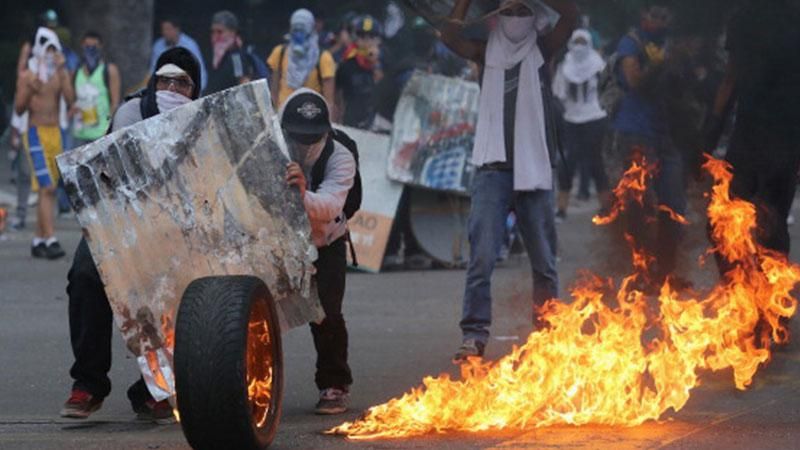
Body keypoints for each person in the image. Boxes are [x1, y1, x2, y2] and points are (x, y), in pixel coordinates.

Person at [60, 47, 202, 423]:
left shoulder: (203, 120)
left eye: (182, 82)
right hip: (116, 217)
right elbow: (103, 172)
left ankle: (153, 388)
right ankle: (88, 384)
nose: (172, 87)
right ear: (154, 82)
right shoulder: (129, 113)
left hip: (171, 227)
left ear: (194, 89)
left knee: (170, 294)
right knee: (86, 277)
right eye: (165, 80)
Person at [439, 0, 577, 362]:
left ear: (534, 16)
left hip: (535, 170)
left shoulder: (544, 49)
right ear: (496, 18)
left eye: (522, 11)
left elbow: (571, 15)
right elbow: (449, 35)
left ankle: (547, 333)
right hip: (492, 170)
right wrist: (465, 3)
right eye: (509, 12)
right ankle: (473, 335)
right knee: (481, 258)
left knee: (544, 262)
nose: (515, 19)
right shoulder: (484, 52)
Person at [706, 0, 800, 263]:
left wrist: (710, 134)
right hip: (784, 142)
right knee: (773, 222)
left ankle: (745, 290)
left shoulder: (744, 16)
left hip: (751, 139)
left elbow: (730, 80)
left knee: (723, 221)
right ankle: (759, 297)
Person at [281, 89, 356, 414]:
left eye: (313, 137)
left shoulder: (341, 155)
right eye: (298, 137)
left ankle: (334, 384)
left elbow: (330, 205)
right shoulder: (272, 146)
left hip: (327, 242)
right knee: (252, 314)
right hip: (280, 242)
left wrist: (302, 194)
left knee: (327, 314)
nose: (305, 144)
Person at [608, 4, 685, 282]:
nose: (661, 22)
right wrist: (663, 64)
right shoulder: (632, 42)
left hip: (665, 134)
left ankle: (665, 272)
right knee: (638, 206)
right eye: (655, 16)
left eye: (666, 16)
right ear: (644, 17)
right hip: (636, 134)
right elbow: (634, 81)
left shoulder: (670, 44)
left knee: (674, 204)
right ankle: (640, 271)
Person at [13, 27, 75, 260]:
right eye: (46, 49)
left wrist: (63, 71)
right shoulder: (28, 75)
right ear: (40, 49)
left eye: (53, 49)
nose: (50, 53)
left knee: (46, 192)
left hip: (55, 133)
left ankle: (38, 239)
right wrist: (30, 90)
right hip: (35, 133)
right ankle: (50, 238)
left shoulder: (59, 73)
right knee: (47, 187)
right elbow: (19, 108)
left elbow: (70, 99)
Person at [553, 29, 611, 221]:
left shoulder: (598, 65)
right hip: (571, 118)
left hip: (594, 117)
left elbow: (606, 89)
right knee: (567, 163)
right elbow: (559, 91)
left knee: (596, 162)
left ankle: (607, 207)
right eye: (575, 42)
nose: (578, 47)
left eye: (582, 42)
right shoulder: (565, 65)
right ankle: (562, 208)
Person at [267, 9, 336, 108]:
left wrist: (327, 122)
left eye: (303, 29)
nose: (299, 34)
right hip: (283, 116)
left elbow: (329, 101)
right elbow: (274, 91)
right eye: (296, 29)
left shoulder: (323, 58)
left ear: (311, 30)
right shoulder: (279, 53)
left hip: (312, 116)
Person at [71, 31, 121, 147]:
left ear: (101, 47)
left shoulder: (109, 70)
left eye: (94, 46)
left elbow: (115, 103)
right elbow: (72, 100)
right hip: (80, 134)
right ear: (82, 46)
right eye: (87, 46)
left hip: (101, 134)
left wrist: (108, 129)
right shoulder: (76, 72)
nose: (91, 49)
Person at [335, 15, 383, 129]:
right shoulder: (347, 64)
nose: (367, 41)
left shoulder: (383, 62)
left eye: (371, 36)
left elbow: (382, 90)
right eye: (362, 36)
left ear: (378, 40)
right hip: (350, 123)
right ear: (356, 38)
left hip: (375, 123)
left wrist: (375, 63)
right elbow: (337, 95)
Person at [150, 17, 208, 93]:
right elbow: (153, 70)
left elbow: (200, 71)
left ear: (177, 29)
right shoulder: (158, 46)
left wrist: (197, 91)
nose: (165, 32)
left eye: (168, 29)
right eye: (163, 29)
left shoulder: (190, 45)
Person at [205, 10, 255, 95]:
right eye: (213, 32)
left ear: (232, 32)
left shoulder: (236, 57)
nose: (215, 36)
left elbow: (244, 86)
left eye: (220, 32)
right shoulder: (216, 56)